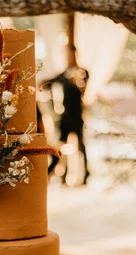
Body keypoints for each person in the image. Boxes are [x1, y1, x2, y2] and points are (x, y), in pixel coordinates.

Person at [43, 44, 90, 184]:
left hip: (77, 116)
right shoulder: (63, 74)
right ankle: (56, 173)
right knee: (60, 146)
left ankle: (86, 174)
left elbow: (85, 90)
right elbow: (47, 84)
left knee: (81, 146)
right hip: (65, 116)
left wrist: (78, 82)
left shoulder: (83, 72)